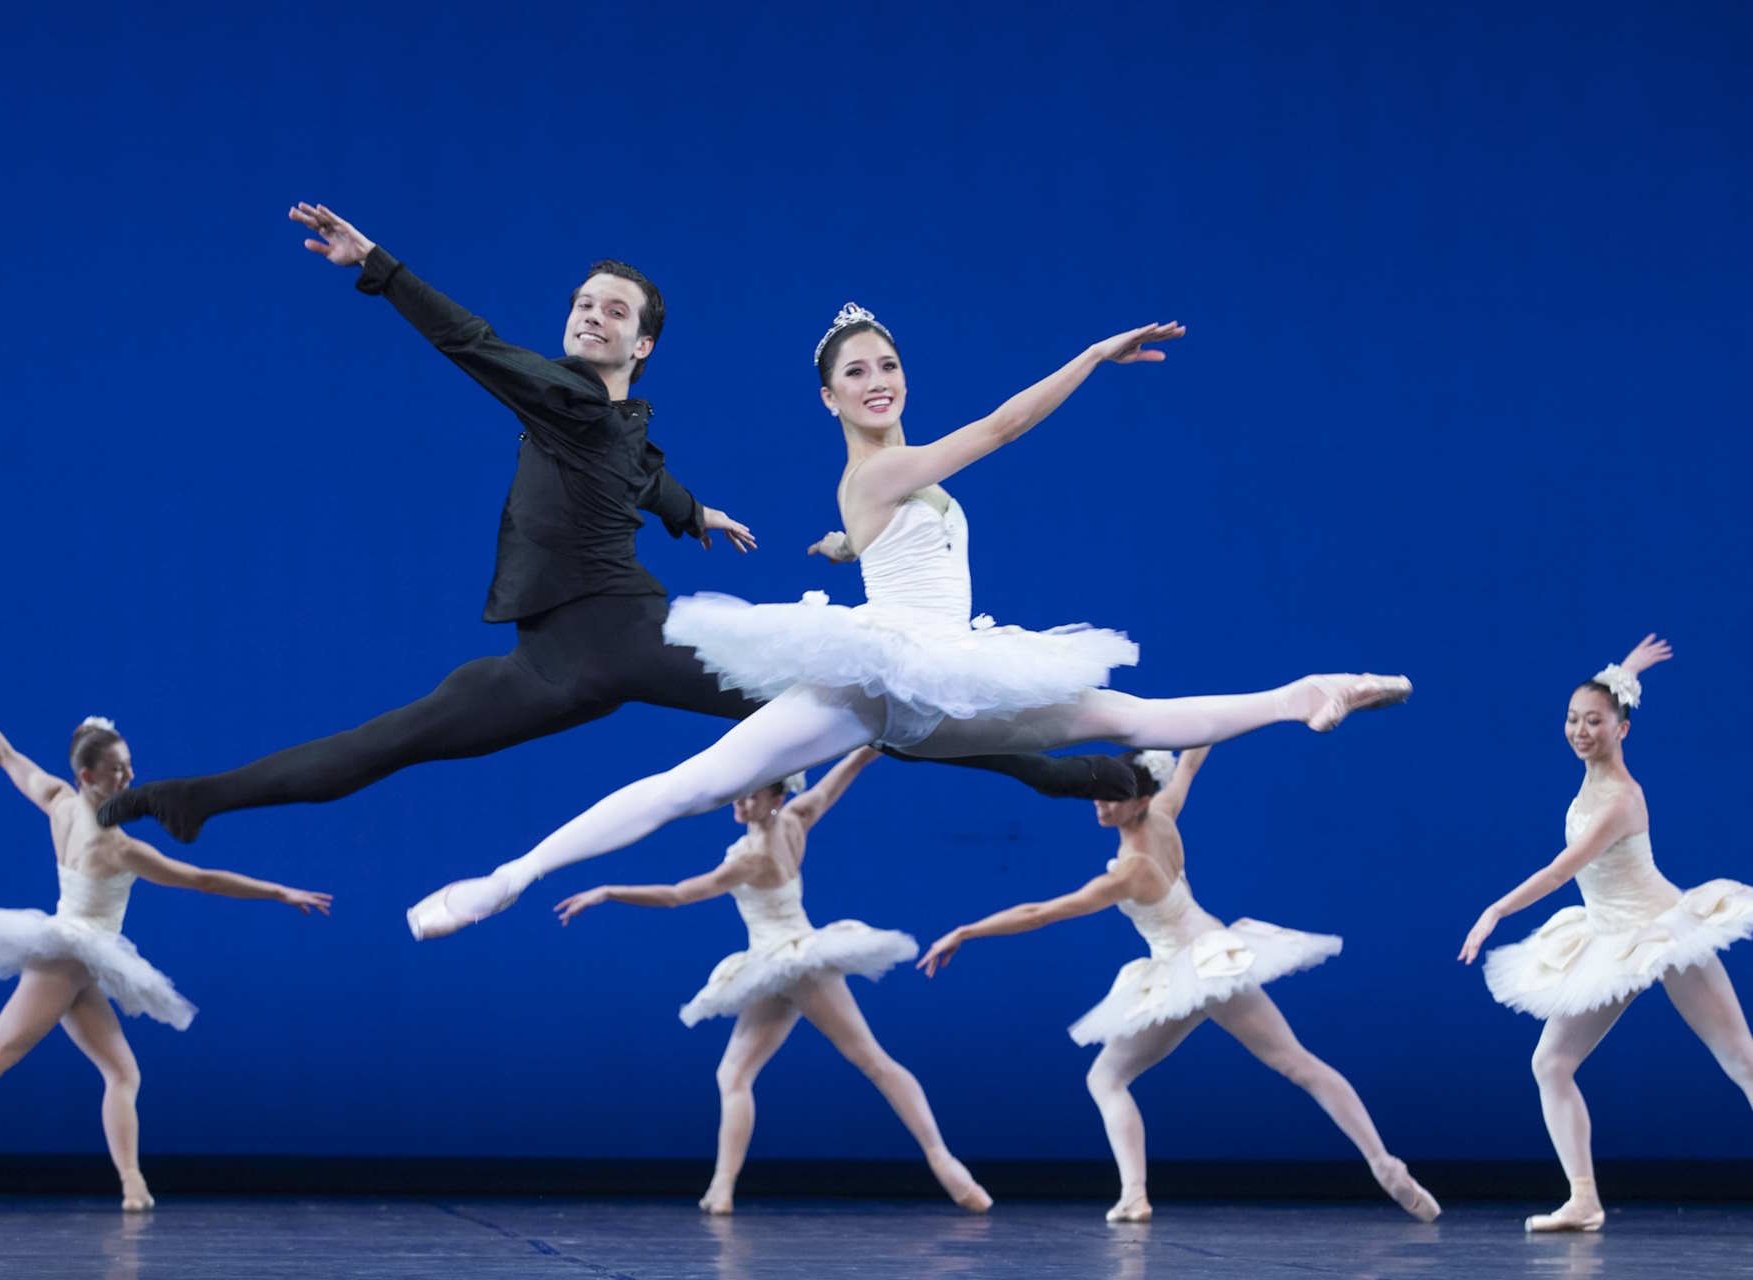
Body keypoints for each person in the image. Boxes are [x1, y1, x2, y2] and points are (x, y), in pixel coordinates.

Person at [99, 208, 1143, 845]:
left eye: (612, 312)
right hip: (554, 658)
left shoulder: (603, 412)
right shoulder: (567, 397)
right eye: (582, 303)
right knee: (388, 743)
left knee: (882, 707)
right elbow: (480, 348)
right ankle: (195, 797)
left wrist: (693, 515)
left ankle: (1078, 771)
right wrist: (379, 270)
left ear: (640, 346)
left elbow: (639, 468)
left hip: (638, 637)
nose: (588, 315)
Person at [407, 303, 1409, 937]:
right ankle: (509, 876)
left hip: (938, 671)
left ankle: (1301, 695)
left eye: (888, 362)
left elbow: (901, 532)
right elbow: (1003, 427)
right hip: (891, 674)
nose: (879, 377)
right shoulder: (885, 466)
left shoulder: (886, 482)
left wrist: (852, 546)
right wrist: (1091, 356)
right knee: (694, 785)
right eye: (858, 371)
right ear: (828, 394)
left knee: (1130, 718)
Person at [0, 670, 332, 1212]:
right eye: (118, 771)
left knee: (122, 1072)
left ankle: (132, 1182)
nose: (131, 776)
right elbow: (202, 879)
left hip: (83, 959)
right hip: (68, 954)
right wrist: (278, 890)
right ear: (90, 775)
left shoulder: (58, 800)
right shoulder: (117, 847)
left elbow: (3, 753)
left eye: (130, 766)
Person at [919, 746, 1438, 1222]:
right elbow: (1190, 759)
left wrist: (967, 930)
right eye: (1095, 792)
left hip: (1205, 967)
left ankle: (1385, 1166)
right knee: (1108, 1077)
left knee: (1293, 1063)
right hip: (1184, 969)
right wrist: (1208, 721)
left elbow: (1041, 913)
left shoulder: (1129, 871)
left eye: (1113, 795)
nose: (1100, 802)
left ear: (1139, 799)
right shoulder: (1164, 813)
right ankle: (1134, 1195)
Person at [555, 748, 989, 1214]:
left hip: (797, 961)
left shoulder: (753, 858)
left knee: (872, 1061)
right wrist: (869, 747)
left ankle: (946, 1163)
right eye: (737, 798)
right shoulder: (798, 817)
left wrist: (610, 891)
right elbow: (835, 783)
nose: (739, 806)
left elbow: (680, 894)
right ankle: (721, 1188)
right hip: (771, 964)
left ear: (775, 797)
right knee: (734, 1074)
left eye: (750, 797)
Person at [1461, 635, 1753, 1232]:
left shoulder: (1621, 798)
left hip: (1660, 930)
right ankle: (1585, 1199)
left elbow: (1562, 869)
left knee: (1743, 1059)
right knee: (1551, 1064)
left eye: (1594, 721)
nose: (1579, 730)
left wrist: (1496, 910)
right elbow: (1607, 694)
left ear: (1623, 730)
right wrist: (1627, 669)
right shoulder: (1594, 775)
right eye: (1572, 719)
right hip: (1606, 938)